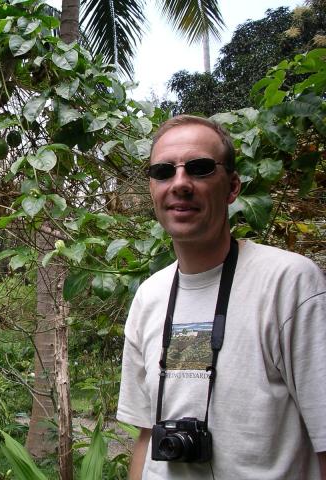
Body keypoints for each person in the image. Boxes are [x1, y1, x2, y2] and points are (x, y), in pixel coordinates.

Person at [116, 115, 326, 479]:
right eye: (163, 172)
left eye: (199, 168)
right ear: (152, 189)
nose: (180, 183)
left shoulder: (289, 283)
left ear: (232, 187)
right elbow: (146, 436)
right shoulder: (149, 296)